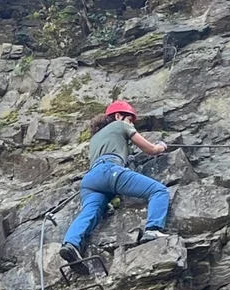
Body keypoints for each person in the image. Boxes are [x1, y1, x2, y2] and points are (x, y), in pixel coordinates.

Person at [58, 101, 172, 268]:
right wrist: (160, 147)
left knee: (90, 211)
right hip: (109, 171)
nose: (131, 124)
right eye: (130, 120)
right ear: (118, 116)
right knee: (159, 191)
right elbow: (150, 150)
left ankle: (71, 244)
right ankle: (153, 229)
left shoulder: (95, 138)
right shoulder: (120, 125)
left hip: (90, 180)